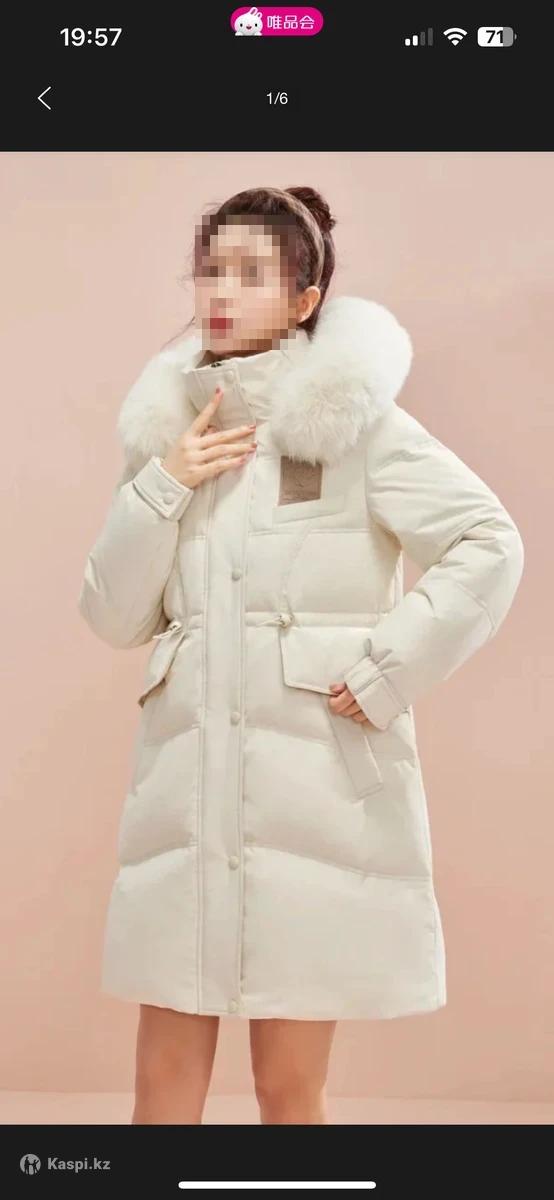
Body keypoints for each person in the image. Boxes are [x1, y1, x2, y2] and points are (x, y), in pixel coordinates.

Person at [78, 185, 525, 1124]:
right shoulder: (169, 435)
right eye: (212, 270)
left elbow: (488, 541)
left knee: (289, 1087)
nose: (222, 292)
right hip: (188, 806)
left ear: (304, 296)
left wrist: (389, 668)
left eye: (252, 273)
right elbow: (115, 617)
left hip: (312, 802)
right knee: (162, 1085)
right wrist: (164, 484)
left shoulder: (353, 424)